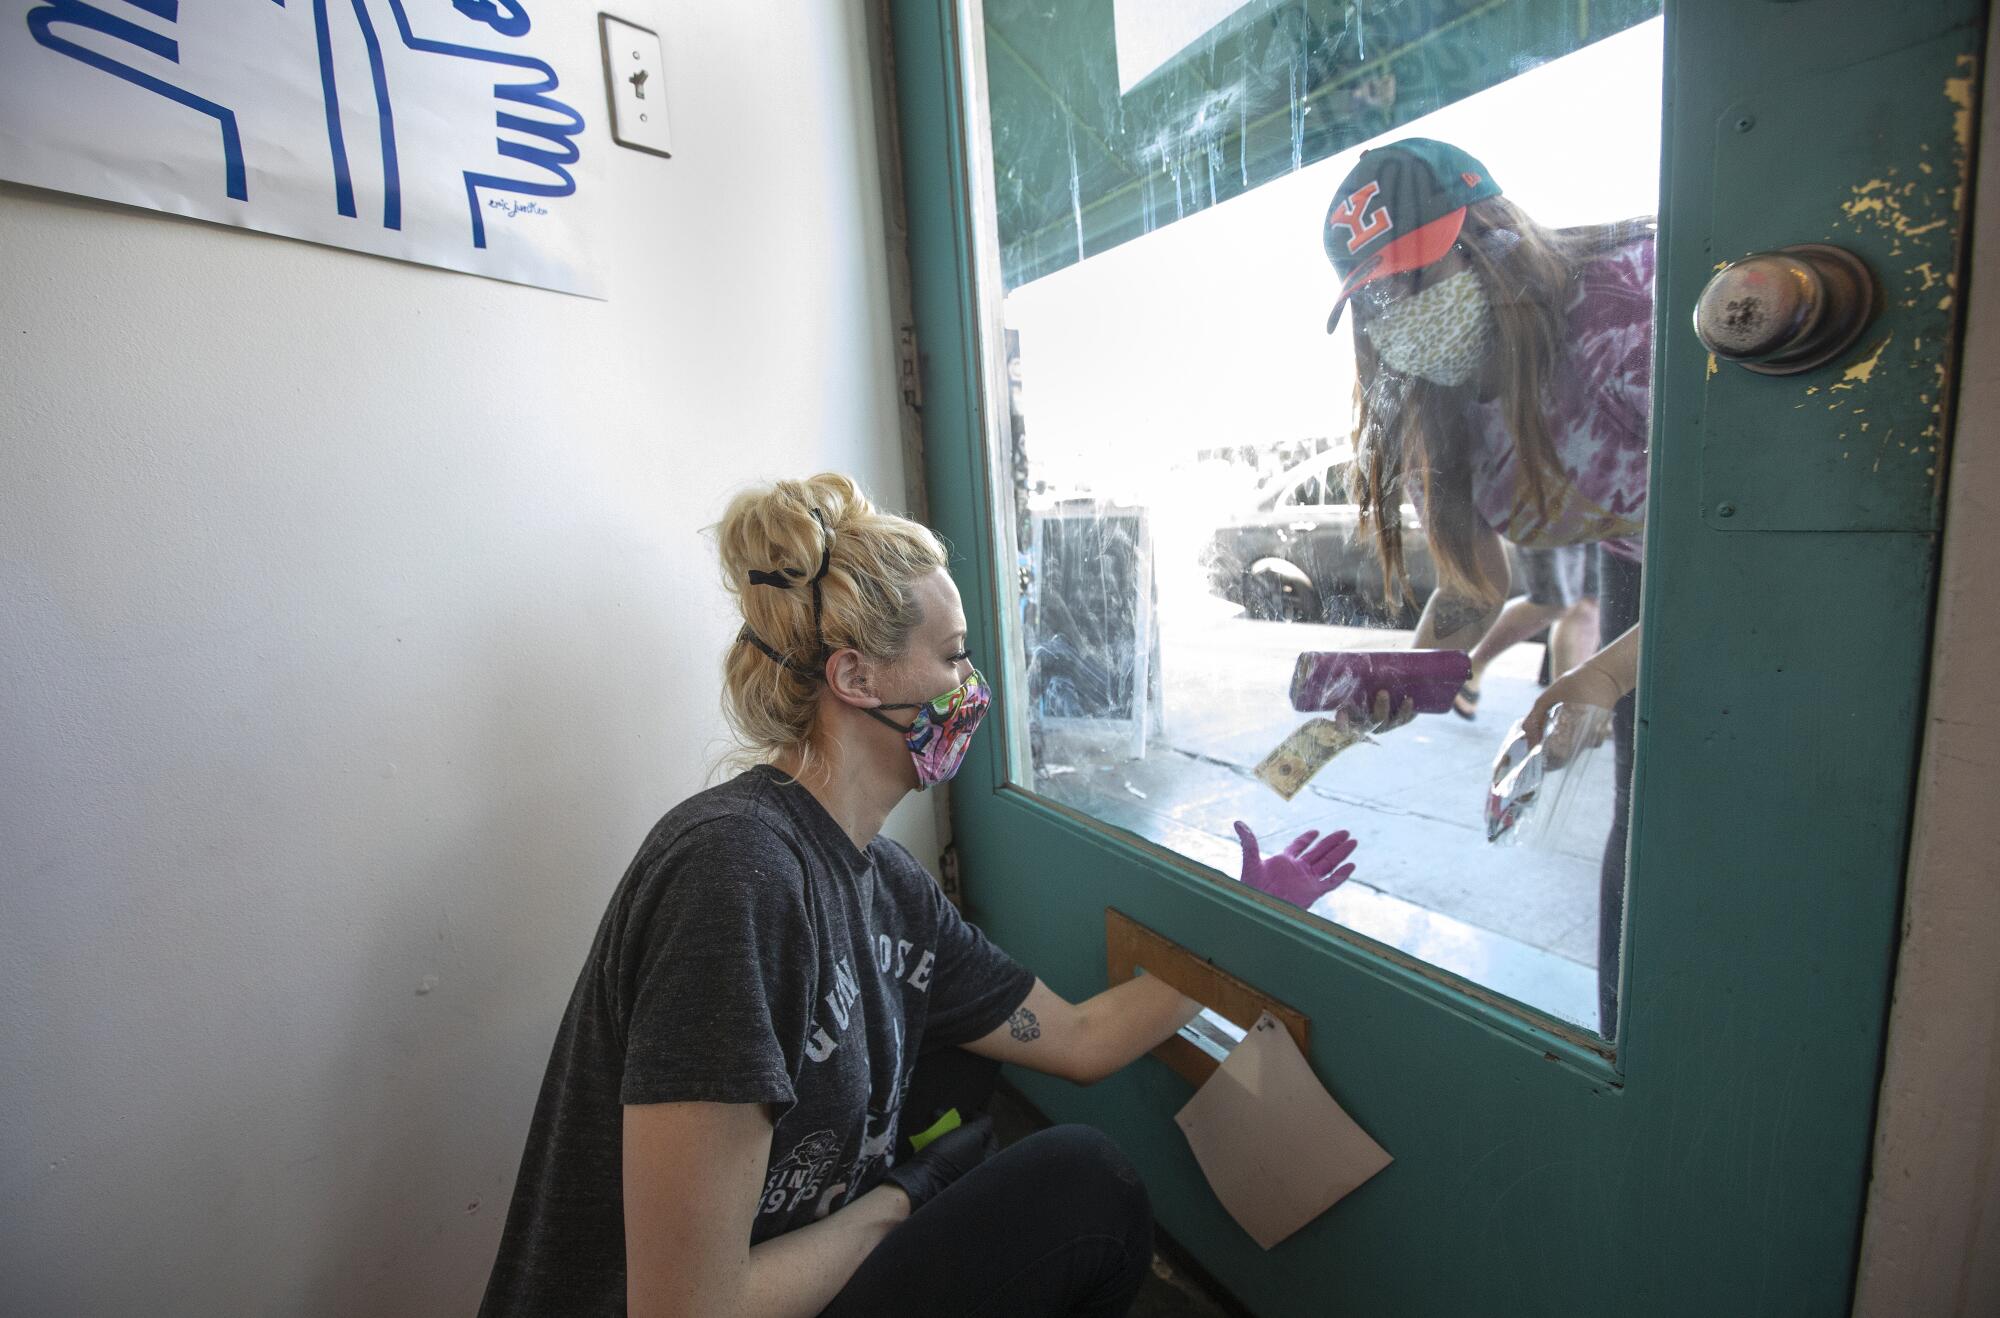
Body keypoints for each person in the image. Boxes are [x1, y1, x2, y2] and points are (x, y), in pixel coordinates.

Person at [477, 473, 1224, 1318]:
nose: (971, 683)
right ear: (857, 679)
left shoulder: (888, 886)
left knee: (959, 1077)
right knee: (1090, 1189)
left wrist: (1248, 942)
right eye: (952, 655)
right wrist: (903, 1199)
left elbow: (1081, 1039)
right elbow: (685, 1310)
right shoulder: (735, 876)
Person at [1322, 138, 1653, 1031]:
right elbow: (1474, 590)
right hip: (1642, 570)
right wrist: (1405, 678)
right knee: (1641, 829)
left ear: (1495, 238)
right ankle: (1623, 1042)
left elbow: (1745, 541)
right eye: (1379, 296)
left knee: (1686, 826)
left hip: (1724, 553)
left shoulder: (1625, 313)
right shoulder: (1445, 396)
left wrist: (1607, 675)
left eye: (1419, 277)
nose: (1401, 314)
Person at [1450, 544, 1600, 720]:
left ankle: (1567, 715)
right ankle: (1472, 665)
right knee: (1554, 602)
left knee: (1590, 604)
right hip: (1555, 520)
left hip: (1608, 520)